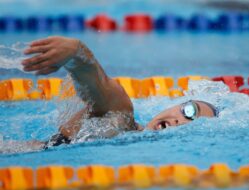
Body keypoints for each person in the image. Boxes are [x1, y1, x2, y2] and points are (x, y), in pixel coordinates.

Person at [21, 36, 218, 149]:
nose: (179, 122)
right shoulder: (123, 118)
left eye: (193, 126)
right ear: (176, 105)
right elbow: (99, 85)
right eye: (189, 111)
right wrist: (77, 53)